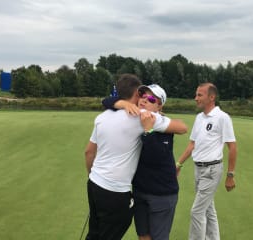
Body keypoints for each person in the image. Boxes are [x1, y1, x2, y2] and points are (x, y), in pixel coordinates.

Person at [84, 74, 186, 240]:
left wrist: (92, 178)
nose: (146, 99)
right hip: (116, 192)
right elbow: (181, 127)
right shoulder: (141, 116)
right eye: (144, 95)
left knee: (95, 234)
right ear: (137, 95)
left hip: (95, 184)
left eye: (151, 98)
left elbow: (89, 152)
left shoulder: (103, 116)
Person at [176, 82, 237, 240]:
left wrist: (230, 175)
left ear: (212, 97)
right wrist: (179, 163)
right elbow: (192, 144)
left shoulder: (222, 118)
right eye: (196, 94)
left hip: (212, 170)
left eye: (199, 95)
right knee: (208, 209)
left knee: (197, 211)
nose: (196, 98)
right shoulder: (199, 118)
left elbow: (232, 147)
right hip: (198, 169)